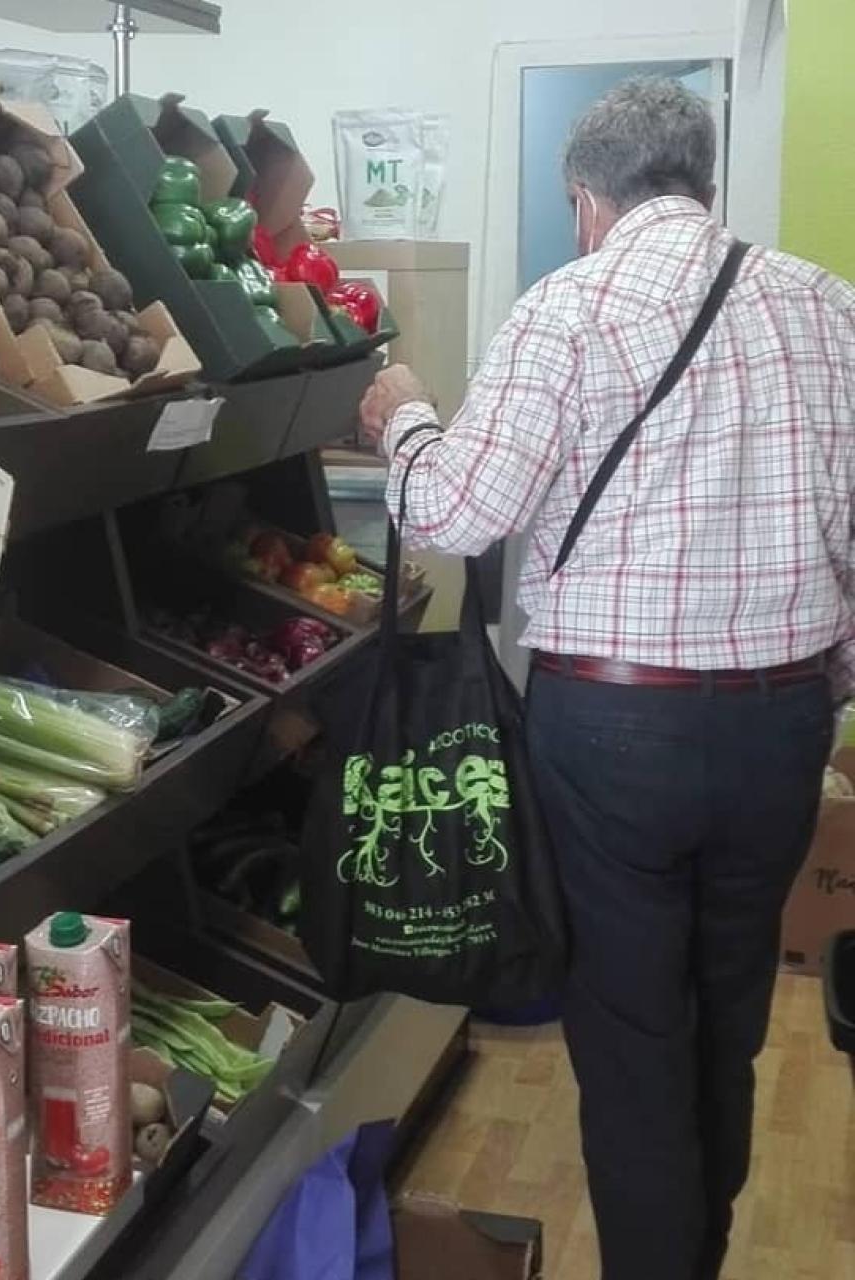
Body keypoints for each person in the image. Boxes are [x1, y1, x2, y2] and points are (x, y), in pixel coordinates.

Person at [358, 77, 855, 1280]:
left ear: (583, 199)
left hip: (611, 729)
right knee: (725, 1020)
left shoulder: (564, 307)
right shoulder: (826, 305)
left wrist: (404, 419)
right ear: (704, 182)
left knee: (632, 1040)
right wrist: (824, 682)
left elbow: (453, 513)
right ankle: (696, 1251)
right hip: (782, 718)